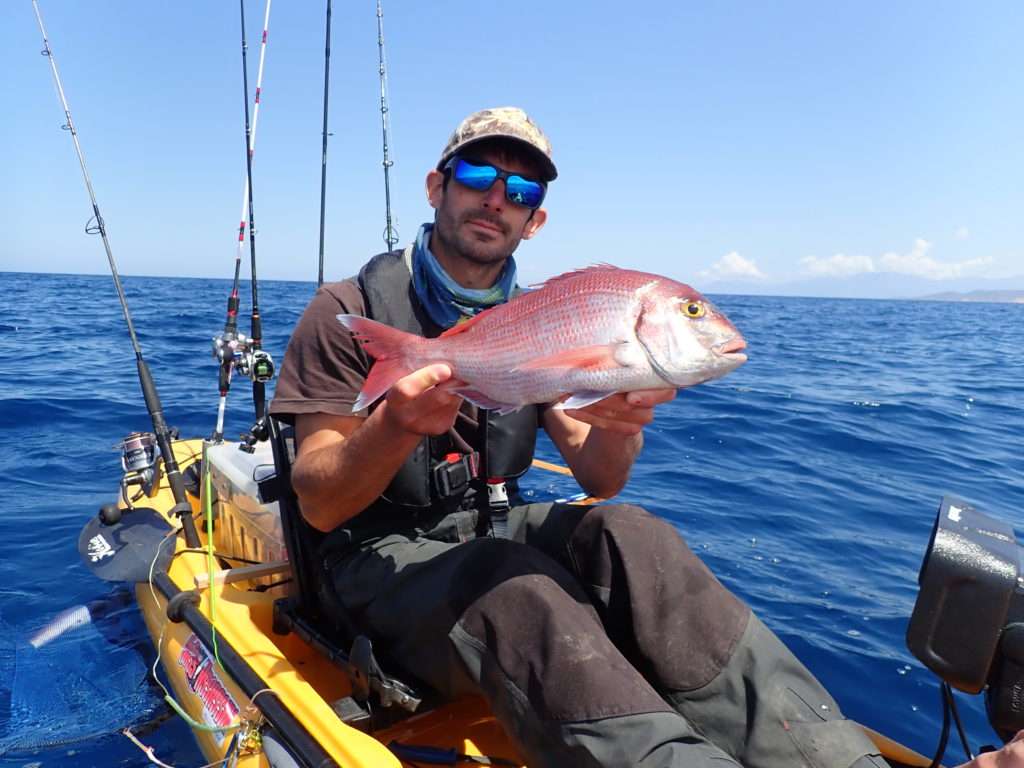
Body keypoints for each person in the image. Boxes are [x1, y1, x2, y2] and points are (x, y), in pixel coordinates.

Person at [268, 106, 960, 767]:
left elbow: (599, 478)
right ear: (436, 187)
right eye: (478, 177)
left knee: (633, 536)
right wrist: (391, 426)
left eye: (520, 189)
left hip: (483, 530)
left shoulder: (537, 316)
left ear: (535, 220)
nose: (495, 200)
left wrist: (620, 423)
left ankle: (830, 757)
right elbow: (321, 505)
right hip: (371, 564)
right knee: (518, 590)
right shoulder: (349, 310)